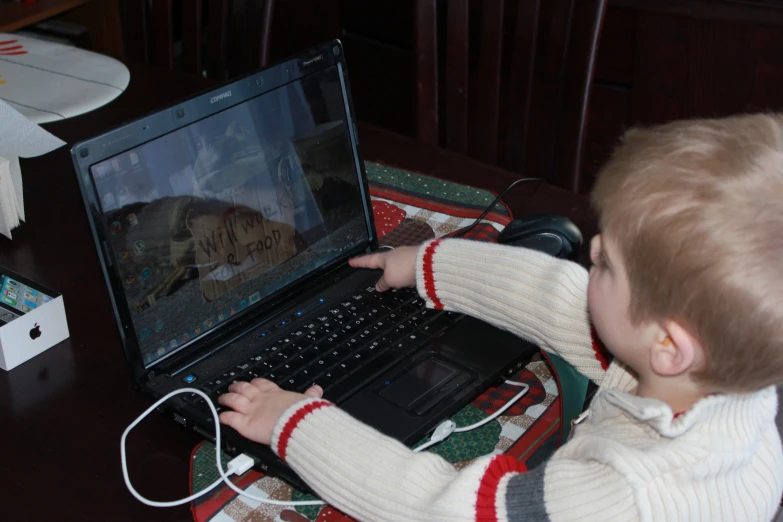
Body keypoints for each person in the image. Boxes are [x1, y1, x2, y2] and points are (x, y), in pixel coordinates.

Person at [218, 114, 783, 521]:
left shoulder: (623, 499)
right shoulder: (726, 386)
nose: (591, 252)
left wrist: (295, 424)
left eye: (608, 265)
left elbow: (438, 508)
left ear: (668, 345)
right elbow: (559, 298)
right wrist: (425, 264)